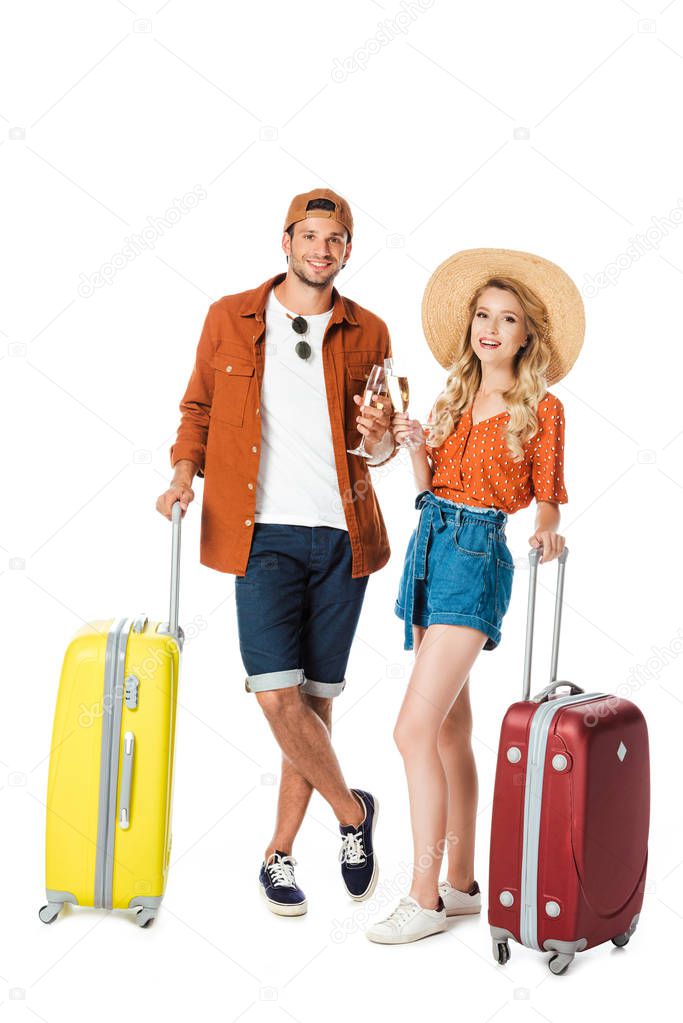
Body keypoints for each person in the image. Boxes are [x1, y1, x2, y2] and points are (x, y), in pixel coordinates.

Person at [156, 188, 399, 916]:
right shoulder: (229, 316)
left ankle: (278, 855)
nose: (320, 250)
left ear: (347, 251)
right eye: (309, 236)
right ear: (285, 242)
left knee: (314, 701)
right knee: (273, 692)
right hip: (257, 531)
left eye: (335, 240)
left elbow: (379, 446)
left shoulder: (371, 331)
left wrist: (383, 434)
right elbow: (197, 407)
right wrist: (179, 475)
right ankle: (353, 815)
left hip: (341, 534)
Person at [365, 247, 585, 944]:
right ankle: (460, 883)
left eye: (507, 318)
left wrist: (547, 533)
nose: (491, 328)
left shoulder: (541, 408)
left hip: (475, 557)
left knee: (410, 730)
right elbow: (430, 492)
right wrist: (415, 448)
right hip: (430, 547)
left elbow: (546, 497)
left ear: (527, 335)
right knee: (450, 729)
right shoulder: (452, 396)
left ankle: (422, 894)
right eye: (482, 315)